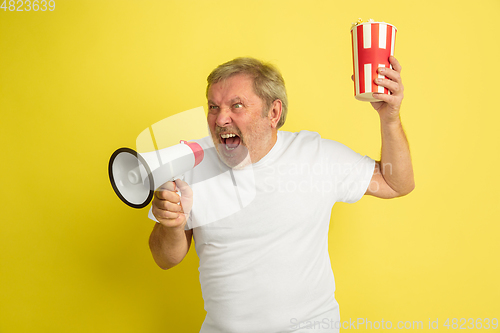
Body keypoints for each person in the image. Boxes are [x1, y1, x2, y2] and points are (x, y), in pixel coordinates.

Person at [148, 57, 414, 332]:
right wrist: (173, 225)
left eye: (236, 105)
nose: (220, 119)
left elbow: (395, 183)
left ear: (273, 113)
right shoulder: (191, 161)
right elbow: (165, 258)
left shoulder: (317, 156)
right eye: (213, 107)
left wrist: (389, 118)